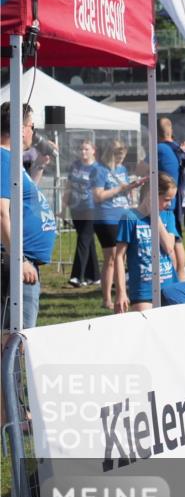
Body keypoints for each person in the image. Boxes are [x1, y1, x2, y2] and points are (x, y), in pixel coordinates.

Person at [1, 102, 57, 330]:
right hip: (15, 263)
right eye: (32, 126)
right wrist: (19, 260)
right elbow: (2, 212)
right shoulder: (4, 159)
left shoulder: (12, 159)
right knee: (15, 339)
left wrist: (39, 167)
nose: (33, 132)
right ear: (21, 128)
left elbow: (23, 199)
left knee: (14, 339)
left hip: (21, 261)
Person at [112, 173, 178, 313]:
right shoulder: (130, 218)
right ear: (151, 196)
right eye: (166, 199)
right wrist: (121, 292)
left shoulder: (167, 216)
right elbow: (119, 257)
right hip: (143, 290)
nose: (169, 204)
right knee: (145, 331)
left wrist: (155, 217)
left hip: (169, 286)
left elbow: (168, 247)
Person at [91, 140, 143, 309]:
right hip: (106, 217)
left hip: (123, 214)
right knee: (112, 258)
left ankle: (120, 291)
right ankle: (107, 298)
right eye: (118, 156)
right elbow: (98, 196)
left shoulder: (122, 169)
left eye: (123, 156)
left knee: (122, 256)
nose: (121, 159)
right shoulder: (99, 170)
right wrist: (119, 190)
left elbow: (123, 188)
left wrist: (131, 187)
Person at [63, 139, 100, 287]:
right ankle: (95, 275)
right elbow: (69, 186)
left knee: (83, 240)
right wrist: (63, 206)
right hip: (75, 207)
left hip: (91, 209)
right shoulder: (75, 166)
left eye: (86, 149)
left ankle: (77, 276)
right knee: (87, 240)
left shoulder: (97, 169)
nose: (83, 152)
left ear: (93, 150)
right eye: (81, 149)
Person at [155, 117, 185, 273]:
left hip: (165, 202)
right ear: (171, 131)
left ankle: (172, 274)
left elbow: (140, 169)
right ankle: (180, 276)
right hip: (178, 199)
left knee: (170, 242)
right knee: (177, 239)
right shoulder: (178, 149)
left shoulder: (160, 148)